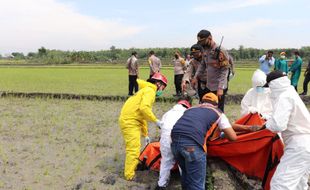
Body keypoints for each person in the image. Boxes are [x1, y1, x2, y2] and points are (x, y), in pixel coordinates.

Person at [171, 93, 237, 190]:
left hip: (175, 144)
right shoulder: (218, 113)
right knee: (197, 185)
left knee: (186, 176)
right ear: (216, 104)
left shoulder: (190, 109)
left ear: (201, 102)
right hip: (191, 147)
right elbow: (233, 137)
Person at [262, 70, 310, 189]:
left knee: (281, 184)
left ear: (273, 84)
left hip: (299, 145)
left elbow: (278, 125)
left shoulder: (284, 96)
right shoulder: (290, 93)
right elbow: (285, 116)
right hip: (305, 143)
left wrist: (266, 125)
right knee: (299, 184)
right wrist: (268, 118)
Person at [119, 73, 168, 181]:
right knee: (133, 149)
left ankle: (132, 167)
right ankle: (129, 175)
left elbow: (142, 116)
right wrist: (156, 121)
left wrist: (145, 134)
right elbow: (144, 109)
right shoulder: (150, 91)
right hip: (130, 121)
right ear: (158, 83)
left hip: (131, 119)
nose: (162, 91)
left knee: (135, 147)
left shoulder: (145, 90)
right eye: (163, 88)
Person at [155, 97, 192, 190]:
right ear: (188, 106)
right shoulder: (187, 113)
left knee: (166, 162)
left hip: (165, 140)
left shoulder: (167, 113)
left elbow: (160, 126)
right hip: (179, 139)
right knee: (183, 162)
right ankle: (186, 185)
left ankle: (161, 185)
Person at [193, 29, 230, 112]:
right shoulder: (205, 50)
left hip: (219, 87)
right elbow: (203, 64)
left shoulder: (220, 50)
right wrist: (196, 77)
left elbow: (224, 70)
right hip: (209, 85)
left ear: (210, 38)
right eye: (200, 42)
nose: (201, 43)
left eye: (203, 41)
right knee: (209, 108)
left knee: (219, 111)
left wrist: (220, 88)